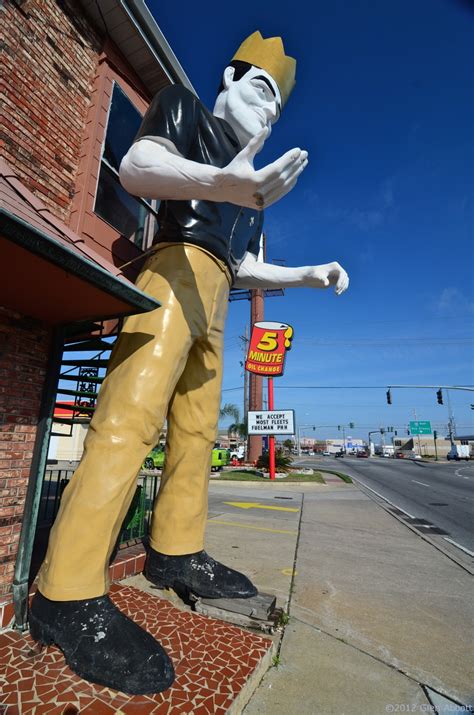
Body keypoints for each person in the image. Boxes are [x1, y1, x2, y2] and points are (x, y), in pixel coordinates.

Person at [29, 31, 349, 695]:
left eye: (276, 108)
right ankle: (65, 591)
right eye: (260, 91)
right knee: (131, 418)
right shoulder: (185, 110)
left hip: (215, 294)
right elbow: (139, 167)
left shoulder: (247, 184)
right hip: (171, 271)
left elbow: (245, 264)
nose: (266, 113)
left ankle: (175, 549)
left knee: (198, 430)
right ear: (228, 80)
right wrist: (221, 181)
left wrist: (308, 275)